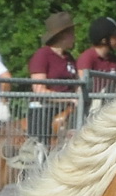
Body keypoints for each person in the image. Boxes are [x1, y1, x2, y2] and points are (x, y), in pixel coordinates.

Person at [28, 12, 79, 143]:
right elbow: (39, 89)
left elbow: (77, 85)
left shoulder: (69, 58)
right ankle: (34, 155)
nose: (74, 37)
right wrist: (69, 98)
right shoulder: (42, 55)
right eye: (72, 33)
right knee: (40, 150)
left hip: (68, 110)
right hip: (44, 110)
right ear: (62, 35)